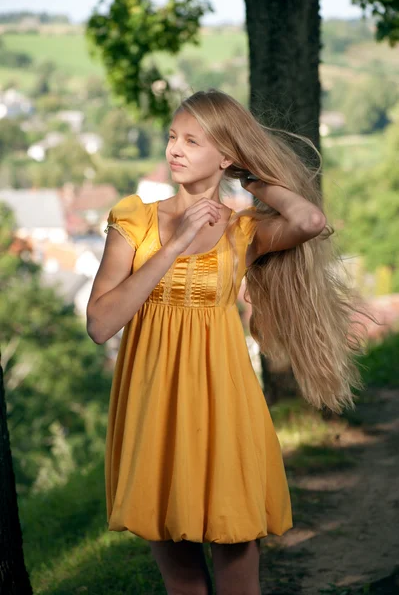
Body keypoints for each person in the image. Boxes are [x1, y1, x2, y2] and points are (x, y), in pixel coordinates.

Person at [86, 89, 370, 595]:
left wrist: (251, 177)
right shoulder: (134, 220)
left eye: (192, 141)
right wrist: (172, 246)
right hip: (156, 408)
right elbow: (100, 324)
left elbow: (310, 222)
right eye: (173, 136)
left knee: (240, 569)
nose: (174, 149)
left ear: (225, 156)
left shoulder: (244, 230)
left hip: (224, 403)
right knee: (184, 584)